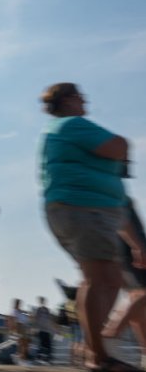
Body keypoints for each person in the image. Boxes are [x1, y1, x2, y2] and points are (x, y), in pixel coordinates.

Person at [40, 82, 146, 372]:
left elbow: (119, 203)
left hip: (86, 211)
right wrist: (122, 148)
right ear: (68, 101)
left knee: (107, 278)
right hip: (81, 209)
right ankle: (98, 357)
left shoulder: (94, 168)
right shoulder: (71, 124)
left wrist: (135, 243)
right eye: (78, 95)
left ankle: (97, 353)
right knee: (99, 279)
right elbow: (118, 145)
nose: (84, 99)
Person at [104, 199, 146, 366]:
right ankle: (110, 334)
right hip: (129, 243)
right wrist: (138, 246)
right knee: (141, 294)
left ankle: (145, 354)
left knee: (137, 299)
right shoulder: (116, 192)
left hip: (120, 246)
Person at [8, 299, 31, 365]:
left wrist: (27, 313)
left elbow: (27, 316)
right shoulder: (14, 311)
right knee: (21, 343)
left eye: (19, 303)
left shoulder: (20, 311)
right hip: (19, 326)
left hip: (24, 327)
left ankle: (20, 357)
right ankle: (20, 358)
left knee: (25, 344)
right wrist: (13, 329)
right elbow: (13, 320)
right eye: (18, 303)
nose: (19, 305)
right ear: (15, 304)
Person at [33, 296, 55, 364]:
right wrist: (35, 328)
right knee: (41, 344)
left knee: (48, 345)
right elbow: (36, 319)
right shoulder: (38, 310)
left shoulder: (47, 310)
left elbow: (50, 319)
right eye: (42, 301)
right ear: (40, 302)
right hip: (41, 329)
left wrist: (52, 328)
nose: (43, 302)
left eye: (44, 301)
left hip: (47, 330)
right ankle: (39, 358)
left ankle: (47, 358)